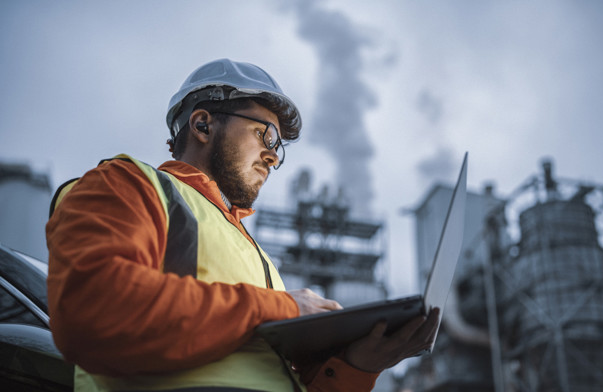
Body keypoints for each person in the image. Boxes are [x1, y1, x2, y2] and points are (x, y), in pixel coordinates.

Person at [46, 58, 440, 392]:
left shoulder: (258, 259)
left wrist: (359, 365)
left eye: (278, 147)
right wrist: (280, 308)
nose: (272, 157)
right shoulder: (129, 184)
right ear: (202, 125)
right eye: (264, 134)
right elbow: (95, 309)